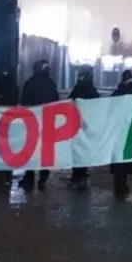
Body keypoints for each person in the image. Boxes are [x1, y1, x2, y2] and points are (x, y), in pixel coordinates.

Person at [20, 60, 60, 191]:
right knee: (44, 151)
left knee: (31, 150)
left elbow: (24, 102)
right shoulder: (50, 84)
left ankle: (30, 177)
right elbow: (56, 102)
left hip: (33, 123)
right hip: (46, 123)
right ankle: (42, 178)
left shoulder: (30, 83)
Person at [68, 68, 100, 190]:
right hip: (83, 127)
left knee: (78, 151)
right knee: (82, 151)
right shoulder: (92, 92)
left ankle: (77, 175)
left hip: (79, 127)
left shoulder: (76, 91)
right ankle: (80, 175)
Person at [110, 70, 132, 196]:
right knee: (122, 159)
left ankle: (120, 184)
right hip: (124, 130)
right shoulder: (128, 93)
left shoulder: (118, 93)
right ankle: (120, 184)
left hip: (122, 130)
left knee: (122, 159)